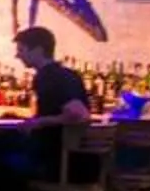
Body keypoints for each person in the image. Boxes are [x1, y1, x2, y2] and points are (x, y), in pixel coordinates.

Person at [14, 23, 92, 178]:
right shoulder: (71, 74)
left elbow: (79, 113)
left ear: (38, 50)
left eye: (21, 50)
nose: (17, 56)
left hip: (56, 165)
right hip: (81, 165)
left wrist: (39, 122)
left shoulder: (47, 77)